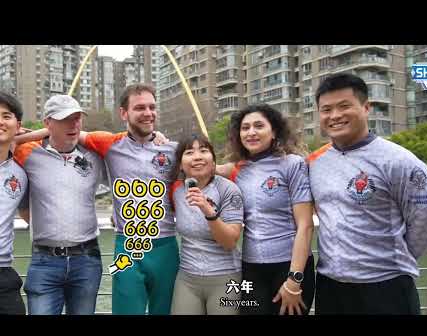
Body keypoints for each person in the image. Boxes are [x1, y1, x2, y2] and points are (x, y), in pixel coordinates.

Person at [15, 84, 177, 315]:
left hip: (119, 253)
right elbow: (11, 145)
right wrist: (35, 133)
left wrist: (156, 135)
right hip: (109, 251)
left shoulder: (166, 150)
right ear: (124, 113)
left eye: (152, 107)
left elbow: (135, 140)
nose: (148, 113)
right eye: (140, 107)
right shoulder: (31, 152)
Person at [308, 73, 427, 314]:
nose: (335, 115)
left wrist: (388, 261)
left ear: (366, 107)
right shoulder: (317, 163)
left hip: (386, 288)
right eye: (326, 109)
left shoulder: (400, 161)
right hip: (330, 286)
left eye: (344, 106)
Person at [14, 95, 106, 315]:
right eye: (65, 119)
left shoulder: (95, 157)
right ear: (48, 123)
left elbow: (125, 143)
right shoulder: (29, 154)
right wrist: (33, 135)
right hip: (44, 261)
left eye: (77, 118)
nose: (73, 124)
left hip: (87, 260)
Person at [220, 104, 315, 315]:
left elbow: (306, 225)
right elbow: (197, 165)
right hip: (251, 268)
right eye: (245, 128)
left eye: (258, 126)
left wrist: (294, 280)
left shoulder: (292, 164)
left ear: (274, 132)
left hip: (290, 267)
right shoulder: (238, 169)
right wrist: (159, 138)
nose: (251, 132)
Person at [169, 134, 244, 315]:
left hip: (225, 277)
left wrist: (208, 212)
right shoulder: (177, 190)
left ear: (213, 161)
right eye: (189, 152)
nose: (197, 157)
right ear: (180, 164)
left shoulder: (228, 189)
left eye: (203, 151)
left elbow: (229, 242)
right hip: (187, 278)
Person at [0, 91, 28, 315]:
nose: (0, 121)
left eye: (6, 116)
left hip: (3, 275)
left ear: (18, 125)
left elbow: (29, 216)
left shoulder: (20, 174)